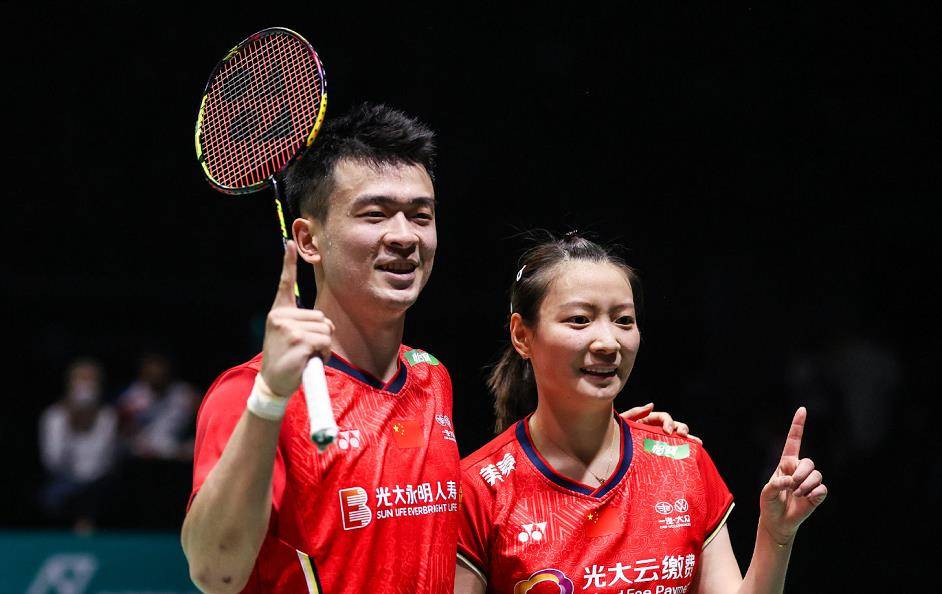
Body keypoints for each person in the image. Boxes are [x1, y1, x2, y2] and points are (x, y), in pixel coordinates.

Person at [181, 105, 690, 594]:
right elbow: (214, 573)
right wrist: (271, 398)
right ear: (308, 241)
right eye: (375, 214)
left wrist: (600, 438)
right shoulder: (248, 393)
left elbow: (489, 494)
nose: (404, 236)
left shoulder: (429, 378)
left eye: (420, 216)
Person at [455, 233, 828, 594]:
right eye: (580, 320)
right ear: (522, 335)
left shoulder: (683, 464)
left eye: (623, 320)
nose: (608, 343)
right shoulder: (478, 490)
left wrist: (776, 535)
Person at [38, 358, 118, 532]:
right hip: (63, 483)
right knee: (53, 496)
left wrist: (89, 421)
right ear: (69, 384)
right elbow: (53, 462)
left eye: (91, 380)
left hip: (97, 485)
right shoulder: (54, 416)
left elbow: (104, 463)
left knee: (101, 494)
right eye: (81, 379)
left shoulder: (108, 416)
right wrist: (70, 425)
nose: (86, 386)